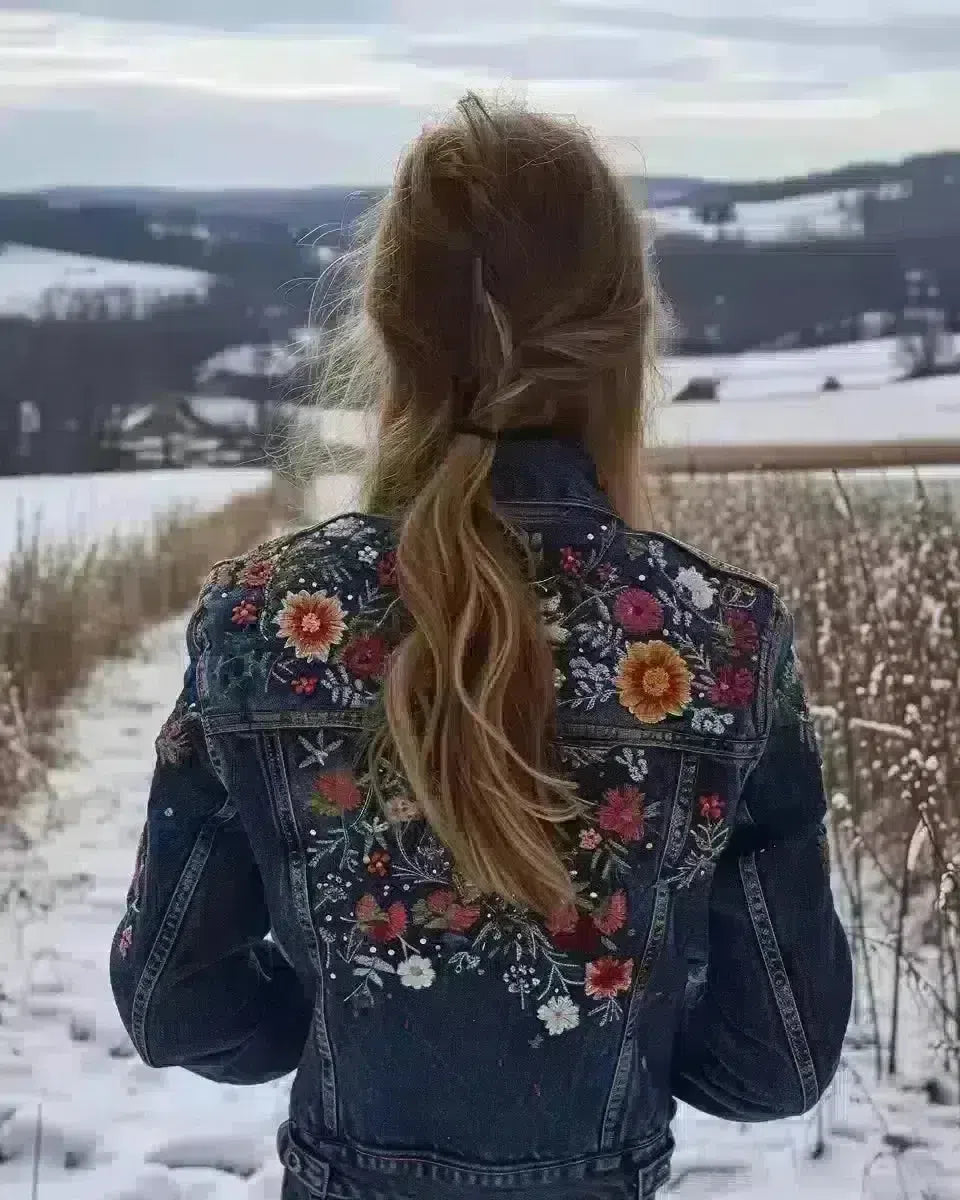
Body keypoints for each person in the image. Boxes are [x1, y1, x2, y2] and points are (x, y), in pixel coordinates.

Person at [111, 94, 852, 1200]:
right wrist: (627, 1028)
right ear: (626, 339)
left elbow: (176, 1000)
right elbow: (777, 1060)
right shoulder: (719, 640)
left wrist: (336, 1028)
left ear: (392, 329)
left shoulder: (265, 619)